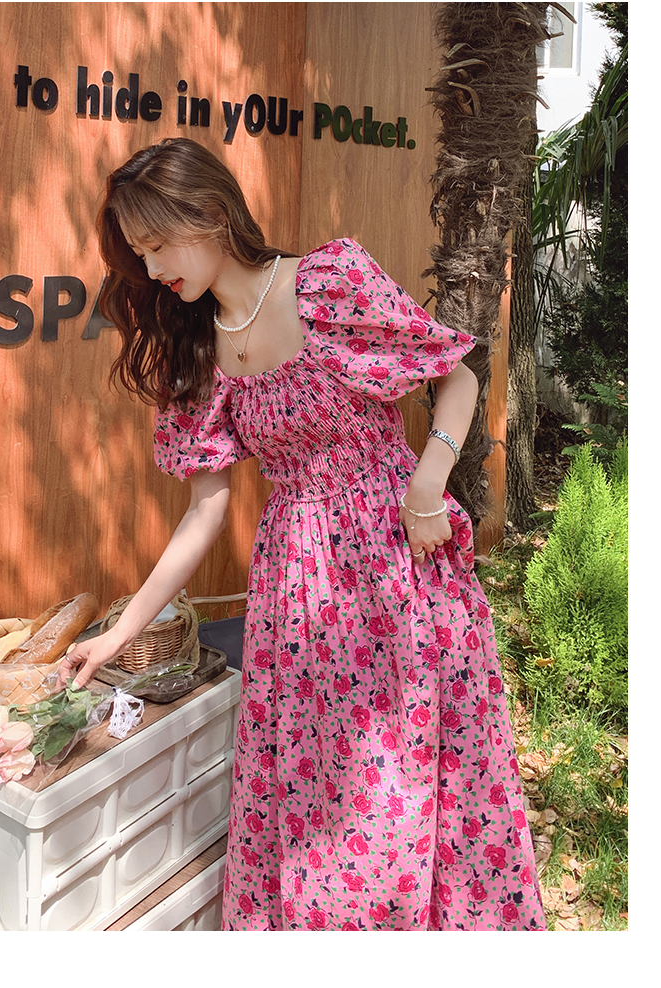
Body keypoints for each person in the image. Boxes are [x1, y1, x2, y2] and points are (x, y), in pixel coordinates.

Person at [60, 137, 546, 931]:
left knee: (403, 788)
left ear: (210, 212)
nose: (151, 269)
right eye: (138, 253)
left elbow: (454, 376)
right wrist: (118, 635)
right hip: (298, 593)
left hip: (396, 567)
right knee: (321, 801)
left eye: (158, 244)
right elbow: (204, 511)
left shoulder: (328, 281)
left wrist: (430, 479)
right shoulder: (197, 351)